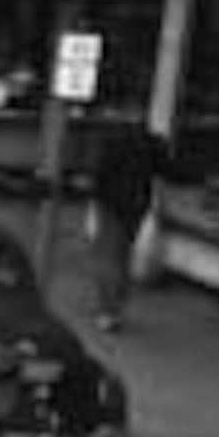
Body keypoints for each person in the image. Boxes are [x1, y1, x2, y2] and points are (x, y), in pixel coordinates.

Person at [86, 124, 170, 331]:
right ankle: (116, 308)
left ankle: (108, 310)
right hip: (137, 206)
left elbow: (99, 174)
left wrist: (93, 198)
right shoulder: (154, 142)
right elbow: (166, 171)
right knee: (122, 256)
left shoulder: (112, 141)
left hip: (111, 204)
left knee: (107, 257)